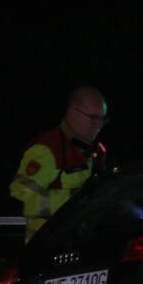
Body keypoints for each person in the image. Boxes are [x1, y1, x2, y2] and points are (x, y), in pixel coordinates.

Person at [10, 86, 108, 241]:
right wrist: (76, 201)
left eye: (102, 119)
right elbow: (18, 196)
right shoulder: (47, 149)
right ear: (72, 114)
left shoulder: (97, 151)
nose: (98, 125)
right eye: (93, 118)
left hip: (80, 243)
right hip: (45, 245)